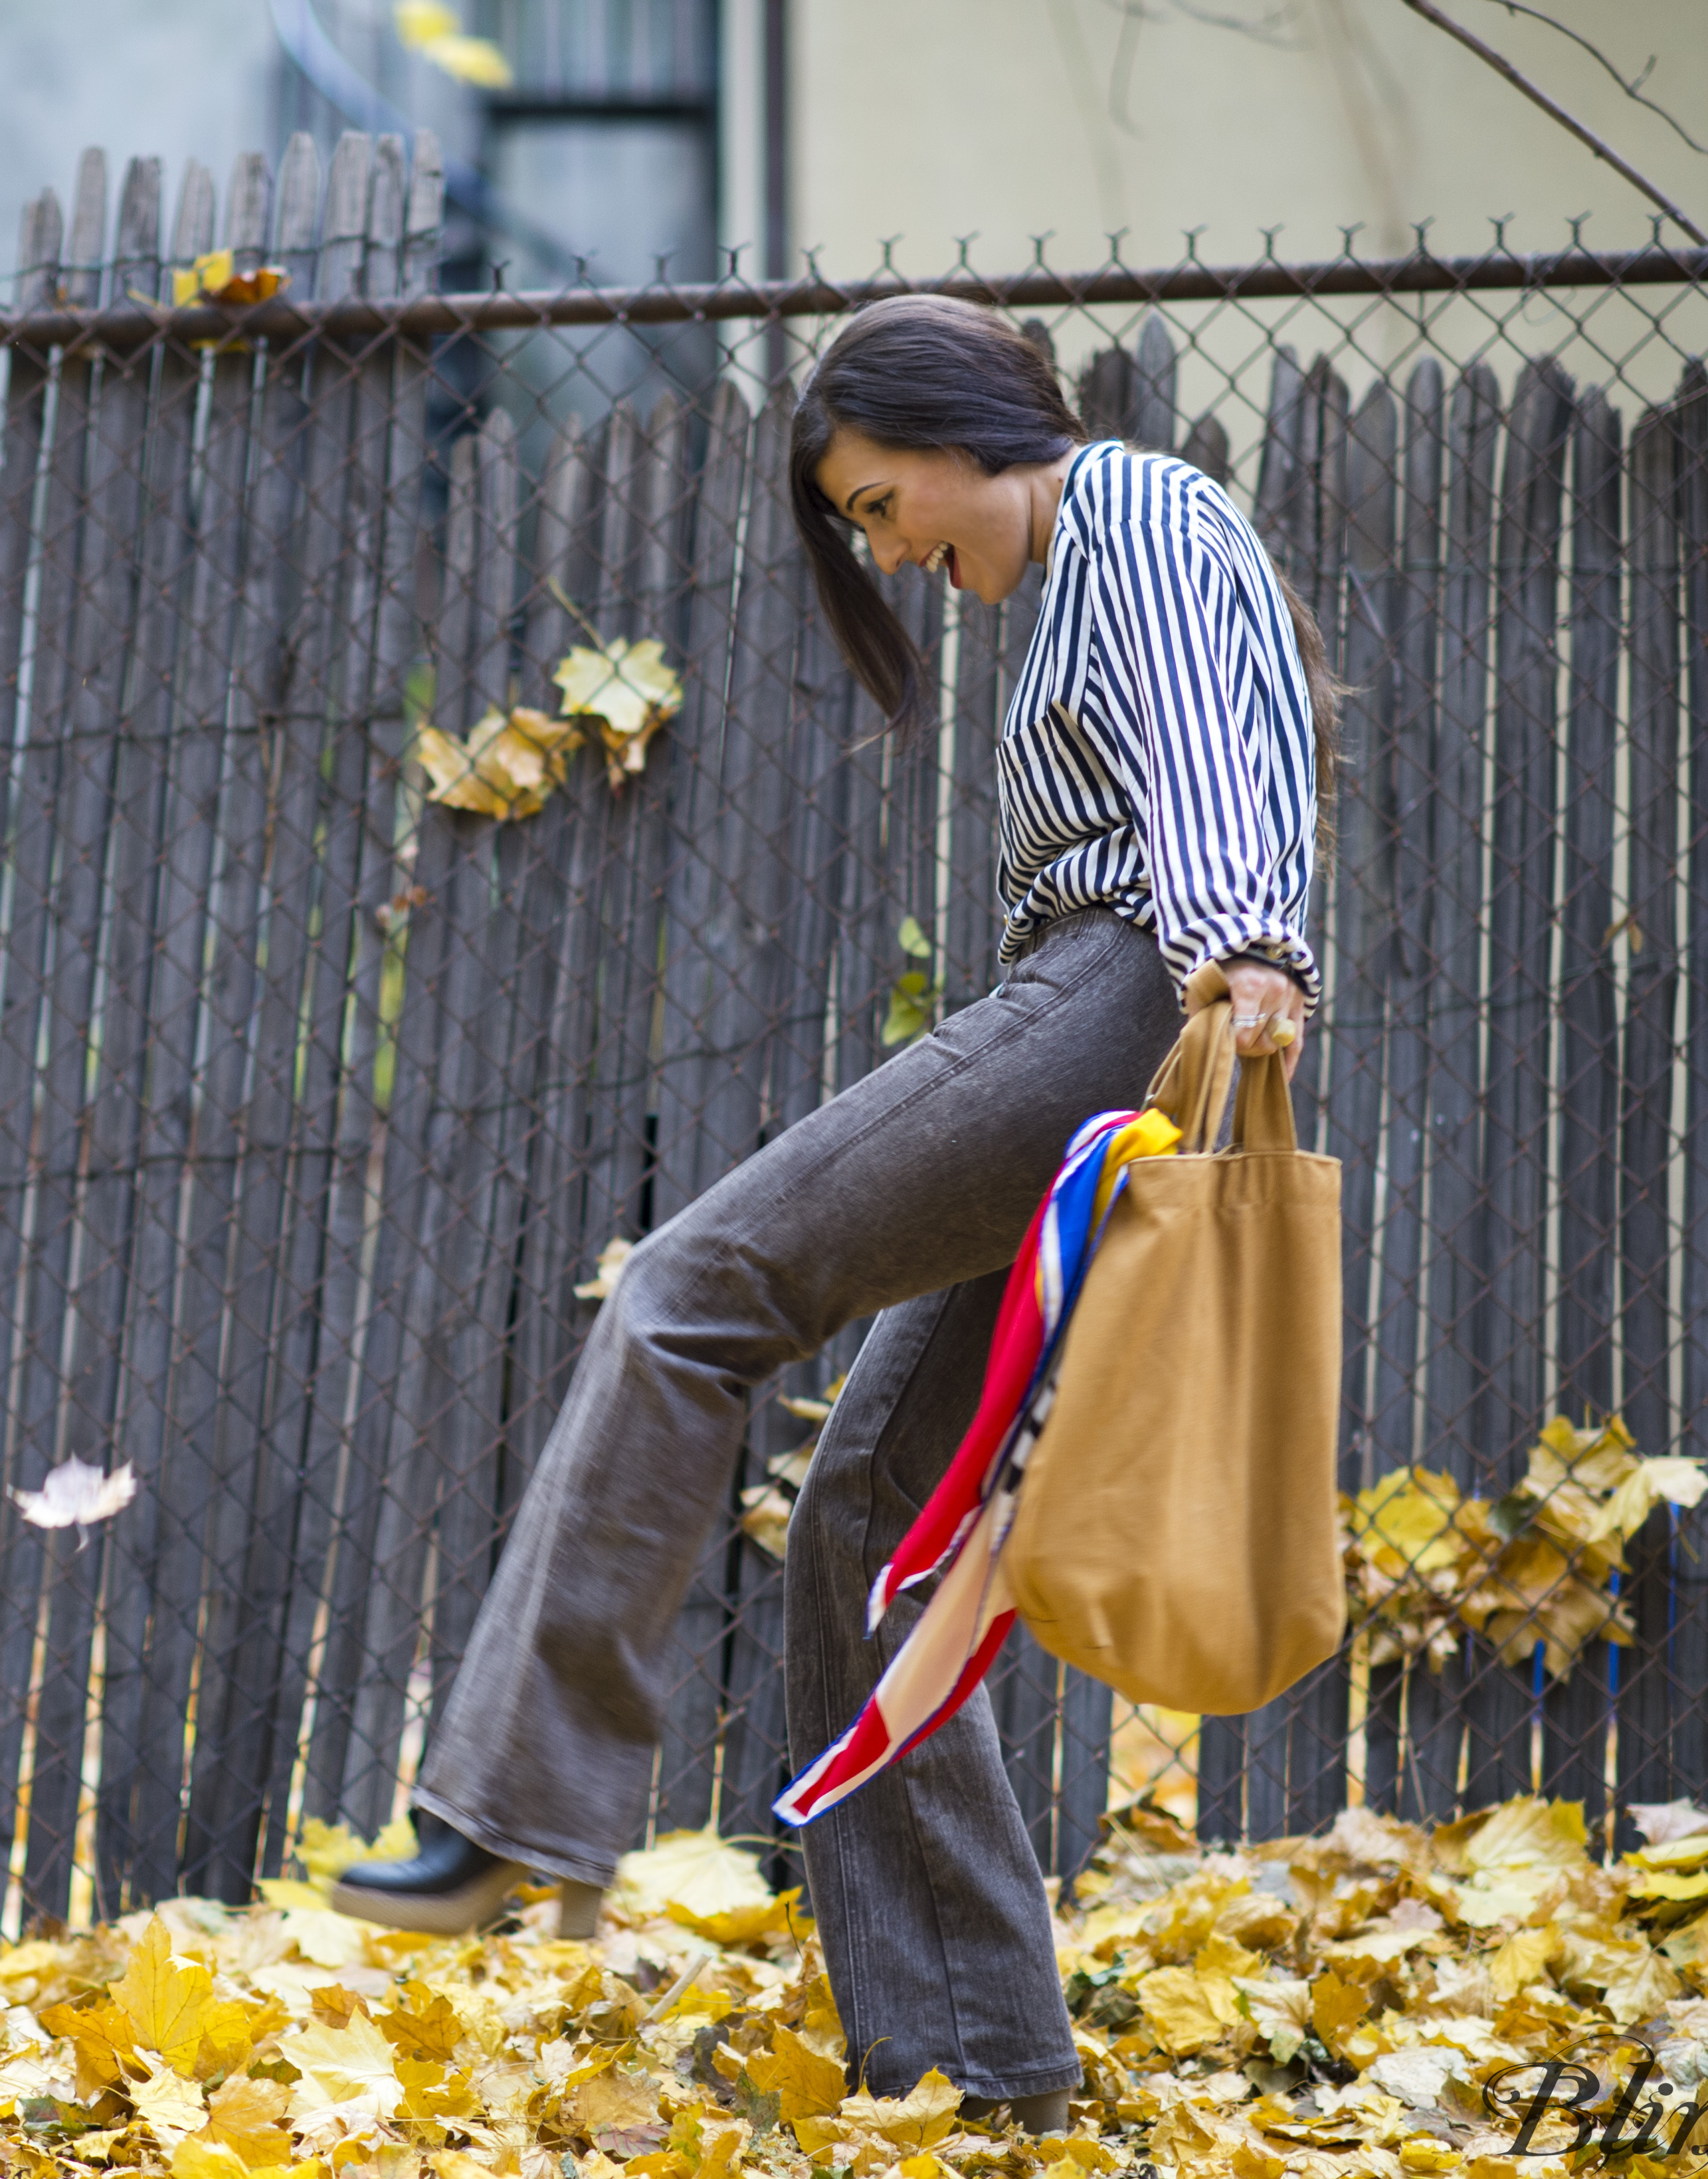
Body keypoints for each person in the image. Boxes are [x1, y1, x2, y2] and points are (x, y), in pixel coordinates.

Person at [332, 294, 1331, 2135]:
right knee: (863, 1526)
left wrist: (1238, 947)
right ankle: (978, 2073)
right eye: (865, 524)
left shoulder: (1136, 511)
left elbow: (1209, 765)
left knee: (691, 1287)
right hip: (1118, 1004)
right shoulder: (1074, 572)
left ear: (962, 431)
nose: (887, 549)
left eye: (882, 503)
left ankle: (507, 1811)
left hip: (1125, 1000)